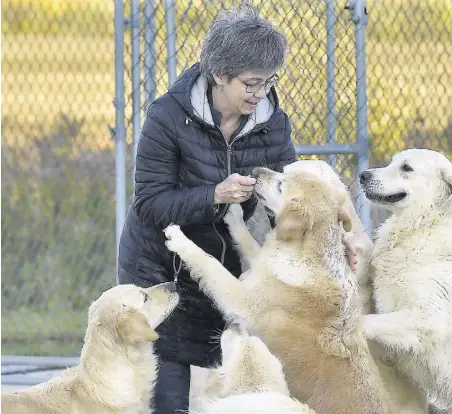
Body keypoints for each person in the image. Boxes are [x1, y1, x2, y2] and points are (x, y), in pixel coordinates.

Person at [117, 4, 356, 413]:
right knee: (168, 399)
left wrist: (336, 236)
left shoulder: (272, 122)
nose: (260, 93)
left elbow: (293, 193)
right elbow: (150, 203)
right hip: (163, 269)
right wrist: (214, 194)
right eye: (250, 83)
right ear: (218, 75)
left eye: (268, 82)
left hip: (227, 271)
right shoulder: (167, 117)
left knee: (240, 395)